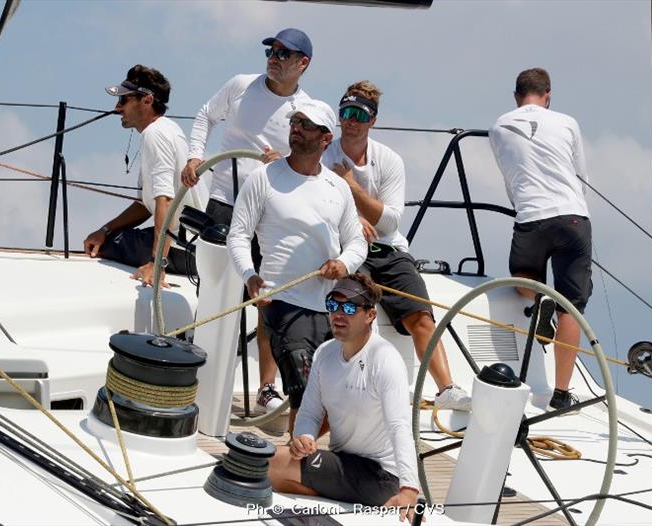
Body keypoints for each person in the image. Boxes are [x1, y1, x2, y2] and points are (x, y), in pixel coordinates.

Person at [181, 28, 314, 413]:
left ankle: (267, 388)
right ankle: (193, 376)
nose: (274, 57)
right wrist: (194, 156)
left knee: (265, 298)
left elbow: (309, 165)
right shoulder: (241, 85)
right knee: (214, 293)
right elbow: (206, 115)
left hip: (268, 210)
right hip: (224, 200)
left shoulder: (305, 111)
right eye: (271, 50)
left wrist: (285, 164)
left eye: (284, 54)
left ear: (302, 64)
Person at [322, 81, 471, 411]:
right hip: (345, 247)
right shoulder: (323, 153)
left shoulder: (389, 160)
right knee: (354, 313)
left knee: (421, 318)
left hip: (388, 250)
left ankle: (445, 389)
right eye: (345, 112)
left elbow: (389, 223)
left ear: (372, 119)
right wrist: (352, 217)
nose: (350, 120)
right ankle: (355, 387)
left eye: (359, 114)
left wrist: (349, 187)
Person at [227, 99, 367, 432]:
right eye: (295, 122)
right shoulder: (263, 178)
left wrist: (343, 264)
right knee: (305, 392)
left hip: (330, 305)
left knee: (333, 398)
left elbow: (357, 242)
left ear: (325, 139)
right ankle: (297, 459)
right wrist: (249, 276)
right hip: (282, 303)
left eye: (306, 124)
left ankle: (299, 456)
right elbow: (238, 236)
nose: (296, 128)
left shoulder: (338, 188)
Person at [268, 274, 420, 522]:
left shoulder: (385, 359)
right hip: (343, 461)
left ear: (370, 315)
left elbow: (399, 427)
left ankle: (366, 498)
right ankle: (338, 496)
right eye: (333, 306)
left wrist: (409, 489)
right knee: (273, 461)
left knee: (271, 463)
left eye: (349, 307)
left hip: (381, 475)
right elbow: (309, 413)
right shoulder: (325, 353)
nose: (338, 314)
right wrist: (303, 437)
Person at [488, 67, 592, 412]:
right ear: (548, 95)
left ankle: (539, 298)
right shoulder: (568, 122)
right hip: (572, 216)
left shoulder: (499, 126)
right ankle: (560, 394)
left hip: (531, 217)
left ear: (516, 95)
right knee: (571, 308)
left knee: (523, 284)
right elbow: (580, 174)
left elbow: (510, 176)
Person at [83, 65, 208, 287]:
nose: (117, 107)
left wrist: (156, 264)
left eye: (124, 101)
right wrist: (105, 230)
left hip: (184, 250)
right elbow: (144, 205)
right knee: (108, 238)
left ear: (147, 101)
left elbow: (165, 202)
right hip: (191, 246)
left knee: (106, 246)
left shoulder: (154, 135)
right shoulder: (167, 129)